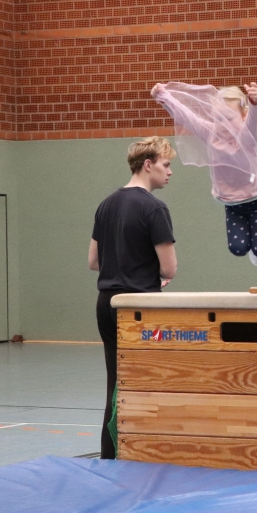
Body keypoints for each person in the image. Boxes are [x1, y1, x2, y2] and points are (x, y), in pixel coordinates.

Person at [89, 137, 178, 460]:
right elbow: (169, 268)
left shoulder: (106, 204)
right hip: (139, 307)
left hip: (107, 302)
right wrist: (153, 272)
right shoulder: (154, 208)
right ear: (148, 165)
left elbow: (93, 261)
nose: (170, 172)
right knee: (145, 382)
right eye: (166, 165)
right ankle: (144, 452)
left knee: (116, 382)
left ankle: (110, 453)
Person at [150, 81, 257, 286]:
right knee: (238, 248)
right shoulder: (211, 133)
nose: (223, 124)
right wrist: (164, 96)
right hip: (233, 204)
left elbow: (255, 121)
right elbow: (187, 117)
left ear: (243, 115)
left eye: (229, 118)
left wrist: (256, 103)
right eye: (218, 118)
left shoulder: (247, 136)